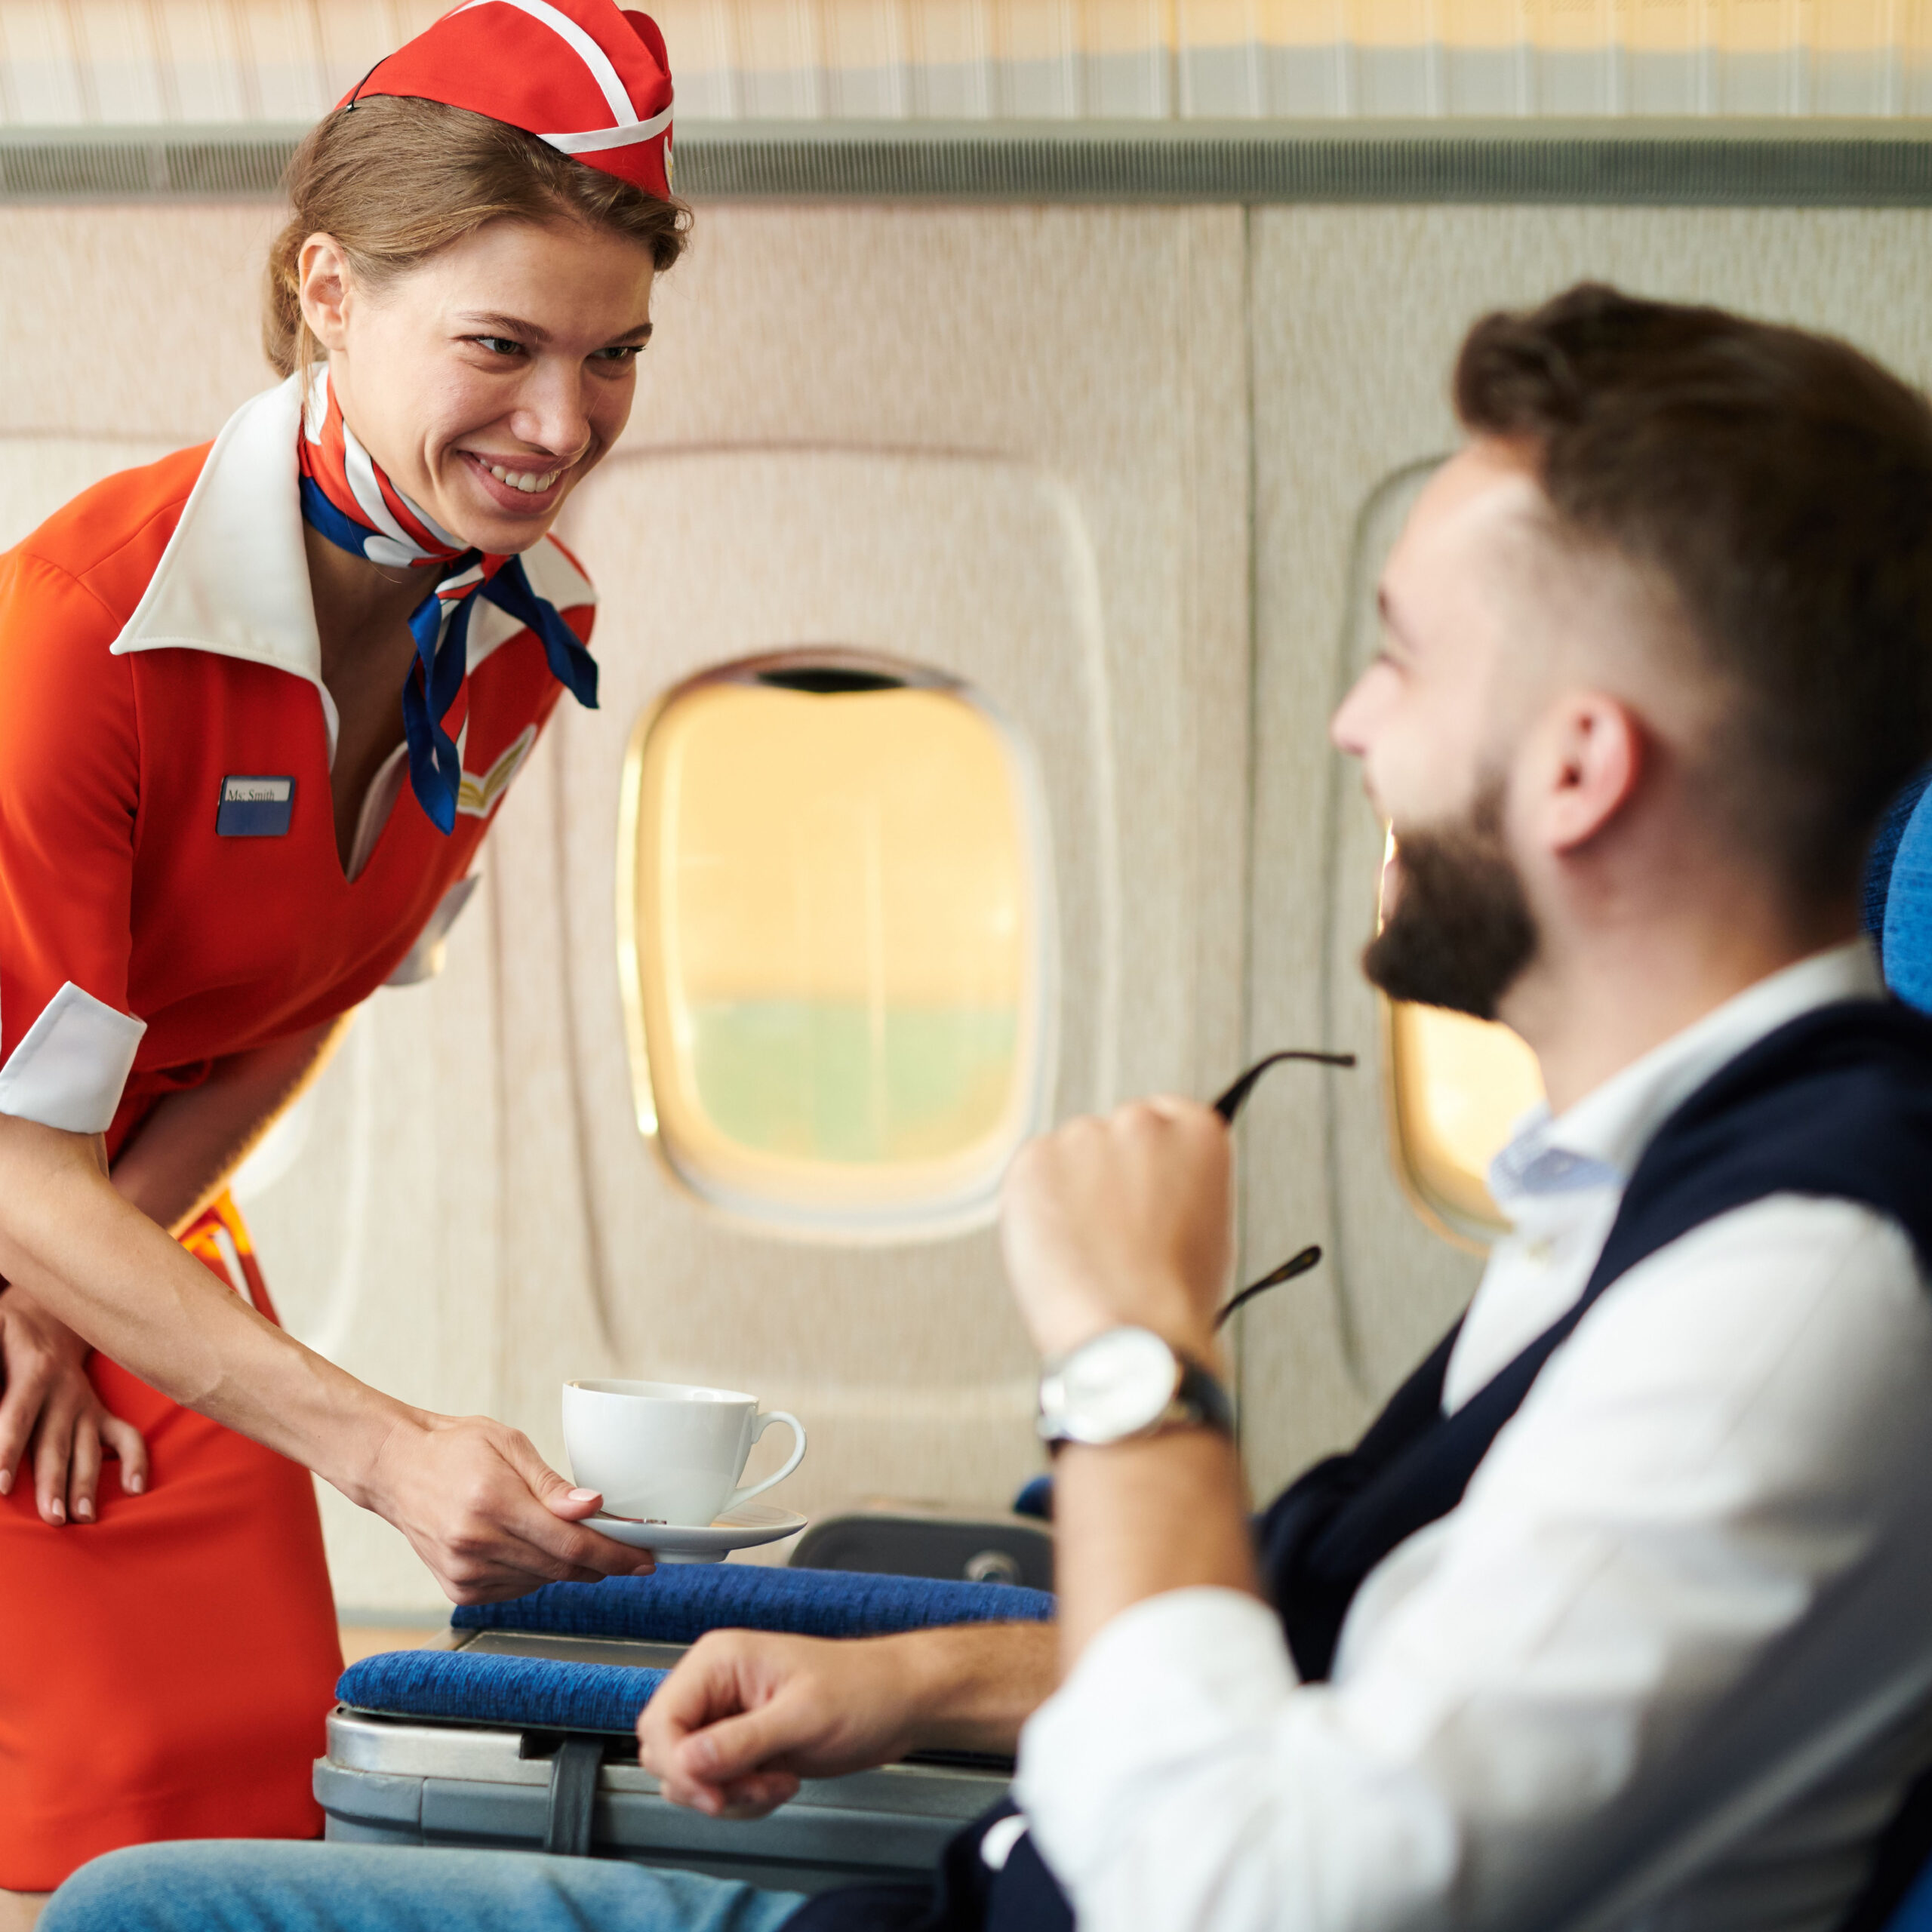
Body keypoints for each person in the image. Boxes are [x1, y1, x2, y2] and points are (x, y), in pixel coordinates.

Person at [42, 285, 1932, 1930]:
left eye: (1401, 657)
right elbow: (1368, 1672)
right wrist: (931, 1674)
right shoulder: (1656, 1189)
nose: (1352, 726)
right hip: (1007, 1869)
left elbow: (1259, 1887)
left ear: (1583, 764)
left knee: (141, 1909)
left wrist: (1130, 1359)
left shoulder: (1790, 1290)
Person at [0, 2, 691, 1916]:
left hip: (117, 1230)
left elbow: (292, 1001)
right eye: (501, 345)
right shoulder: (81, 633)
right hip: (44, 1212)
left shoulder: (516, 638)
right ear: (327, 290)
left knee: (243, 1780)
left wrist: (80, 1302)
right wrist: (384, 1445)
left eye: (613, 354)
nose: (564, 426)